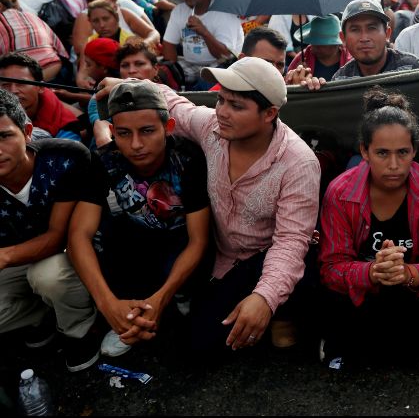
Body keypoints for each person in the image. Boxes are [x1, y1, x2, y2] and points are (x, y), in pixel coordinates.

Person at [95, 56, 321, 353]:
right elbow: (176, 105)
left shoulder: (299, 163)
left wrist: (264, 298)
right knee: (196, 347)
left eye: (236, 106)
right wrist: (129, 85)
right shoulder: (212, 126)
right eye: (221, 100)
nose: (222, 112)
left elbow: (290, 242)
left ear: (269, 113)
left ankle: (285, 312)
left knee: (296, 277)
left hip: (267, 255)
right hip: (221, 257)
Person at [318, 87, 419, 382]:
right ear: (364, 151)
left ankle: (374, 342)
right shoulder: (340, 192)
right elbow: (331, 268)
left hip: (415, 296)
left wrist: (407, 274)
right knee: (329, 299)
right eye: (382, 153)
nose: (393, 165)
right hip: (363, 296)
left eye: (402, 152)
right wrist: (372, 272)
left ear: (415, 150)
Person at [68, 79, 210, 358]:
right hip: (138, 238)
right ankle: (129, 312)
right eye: (124, 133)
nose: (136, 144)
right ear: (112, 132)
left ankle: (179, 295)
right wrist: (109, 305)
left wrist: (161, 298)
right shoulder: (104, 160)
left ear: (168, 127)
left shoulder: (187, 159)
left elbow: (199, 240)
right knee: (107, 239)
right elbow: (78, 236)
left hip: (182, 240)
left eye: (147, 131)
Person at [0, 89, 100, 372]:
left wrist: (4, 256)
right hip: (15, 261)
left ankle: (79, 329)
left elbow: (57, 238)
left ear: (27, 132)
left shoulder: (63, 158)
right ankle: (42, 316)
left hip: (68, 254)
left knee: (48, 276)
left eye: (4, 136)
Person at [161, 0, 244, 90]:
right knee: (163, 73)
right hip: (190, 64)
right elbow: (169, 45)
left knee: (205, 82)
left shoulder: (224, 13)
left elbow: (224, 55)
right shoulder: (179, 10)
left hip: (222, 65)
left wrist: (204, 32)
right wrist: (172, 72)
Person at [333, 0, 419, 80]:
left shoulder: (412, 68)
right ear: (343, 38)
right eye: (355, 30)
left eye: (372, 28)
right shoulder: (340, 79)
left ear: (387, 34)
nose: (364, 38)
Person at [0, 53, 83, 141]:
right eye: (5, 84)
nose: (13, 90)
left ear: (41, 87)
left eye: (21, 83)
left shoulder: (65, 128)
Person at [0, 0, 67, 82]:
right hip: (54, 67)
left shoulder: (2, 21)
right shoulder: (31, 16)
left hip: (26, 77)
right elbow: (60, 49)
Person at [287, 15, 351, 82]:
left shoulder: (350, 61)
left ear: (337, 44)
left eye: (320, 45)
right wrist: (297, 77)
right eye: (313, 42)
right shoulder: (301, 59)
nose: (313, 47)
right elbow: (287, 83)